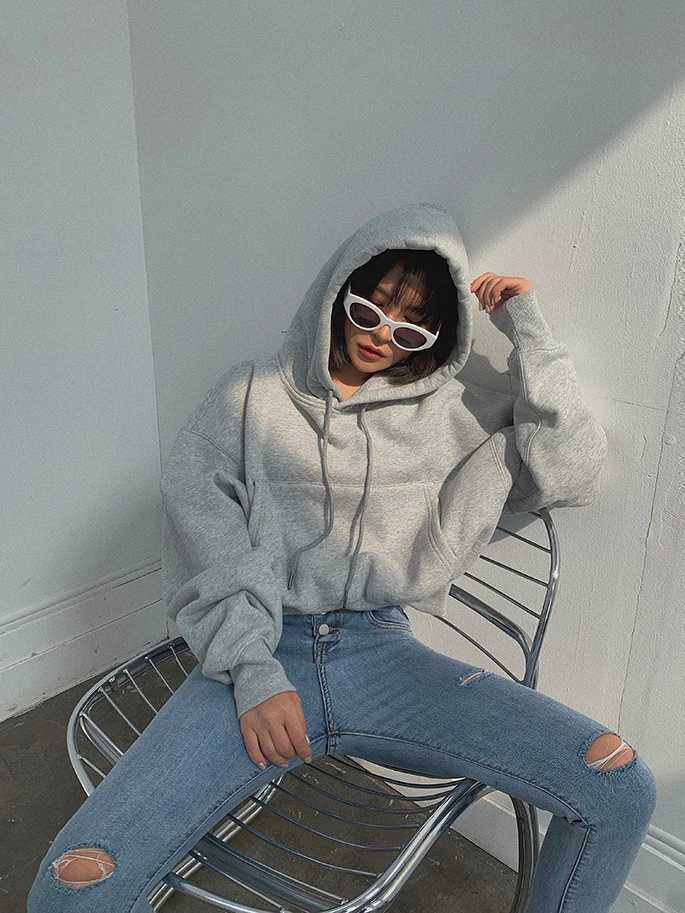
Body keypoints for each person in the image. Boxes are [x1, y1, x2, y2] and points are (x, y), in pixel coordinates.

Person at [28, 202, 656, 913]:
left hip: (383, 657)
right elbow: (205, 533)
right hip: (259, 649)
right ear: (339, 288)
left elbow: (572, 470)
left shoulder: (456, 411)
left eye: (412, 326)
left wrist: (528, 329)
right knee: (75, 884)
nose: (383, 334)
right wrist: (254, 672)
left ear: (437, 336)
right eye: (371, 307)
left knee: (617, 785)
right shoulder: (247, 396)